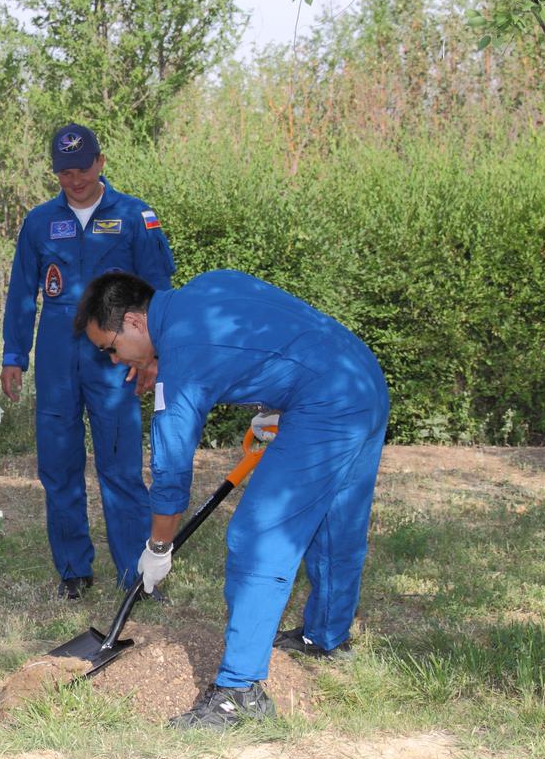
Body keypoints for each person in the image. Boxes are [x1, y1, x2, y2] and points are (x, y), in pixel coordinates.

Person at [74, 270, 389, 730]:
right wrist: (274, 403)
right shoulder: (207, 289)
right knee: (335, 521)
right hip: (360, 378)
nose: (116, 360)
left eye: (111, 348)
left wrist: (158, 547)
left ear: (134, 322)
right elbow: (270, 334)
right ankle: (327, 635)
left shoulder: (181, 355)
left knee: (259, 534)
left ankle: (238, 693)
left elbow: (171, 469)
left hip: (326, 403)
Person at [0, 123, 176, 599]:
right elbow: (21, 294)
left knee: (119, 469)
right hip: (58, 363)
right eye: (64, 172)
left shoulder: (135, 216)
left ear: (101, 162)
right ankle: (73, 570)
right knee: (58, 469)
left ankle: (136, 575)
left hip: (116, 362)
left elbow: (159, 292)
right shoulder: (39, 222)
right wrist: (14, 355)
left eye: (82, 168)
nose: (74, 179)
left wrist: (154, 356)